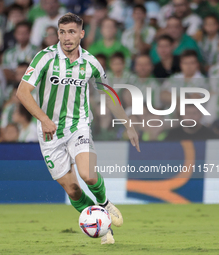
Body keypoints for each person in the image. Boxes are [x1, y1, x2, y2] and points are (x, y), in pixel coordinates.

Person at [16, 12, 140, 245]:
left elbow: (110, 95)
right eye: (62, 32)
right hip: (49, 132)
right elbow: (22, 92)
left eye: (72, 31)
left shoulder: (91, 62)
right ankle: (105, 227)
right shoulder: (44, 58)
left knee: (88, 174)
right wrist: (43, 119)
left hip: (78, 125)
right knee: (73, 190)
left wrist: (128, 125)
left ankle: (104, 203)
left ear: (81, 34)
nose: (66, 37)